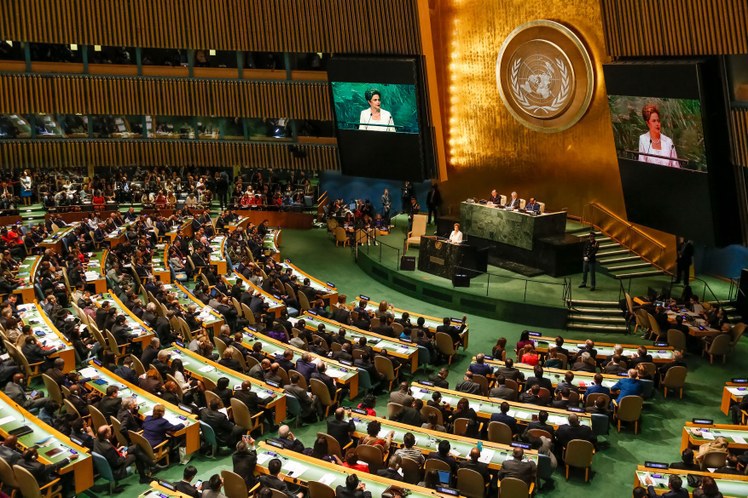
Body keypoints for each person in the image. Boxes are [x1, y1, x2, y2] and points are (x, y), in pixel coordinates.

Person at [638, 103, 679, 168]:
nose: (657, 124)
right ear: (648, 123)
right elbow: (642, 165)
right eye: (654, 121)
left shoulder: (668, 141)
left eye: (658, 121)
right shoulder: (643, 139)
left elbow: (676, 166)